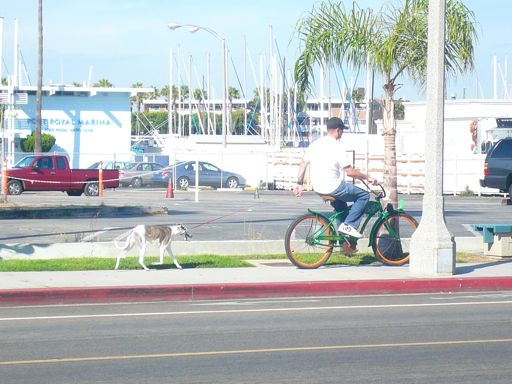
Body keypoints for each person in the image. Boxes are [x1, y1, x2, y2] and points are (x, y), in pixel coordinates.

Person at [293, 117, 377, 238]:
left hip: (318, 187)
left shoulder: (315, 144)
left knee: (342, 208)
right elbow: (349, 171)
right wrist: (367, 177)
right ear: (338, 130)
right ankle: (349, 225)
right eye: (342, 131)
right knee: (364, 196)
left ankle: (345, 244)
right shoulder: (336, 147)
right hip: (333, 187)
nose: (342, 134)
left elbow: (303, 164)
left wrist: (299, 183)